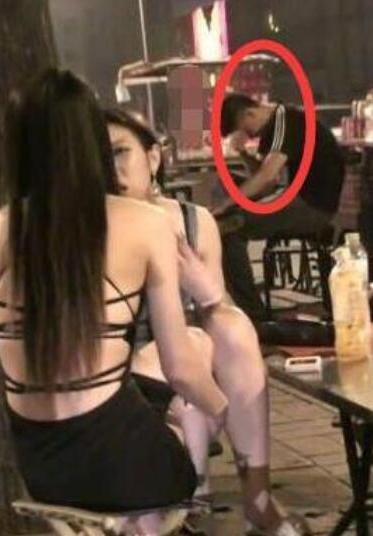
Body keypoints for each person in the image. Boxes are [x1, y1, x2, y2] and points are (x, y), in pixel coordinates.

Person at [0, 69, 228, 533]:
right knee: (196, 363)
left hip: (42, 470)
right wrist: (227, 412)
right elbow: (182, 370)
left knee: (147, 387)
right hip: (123, 467)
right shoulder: (145, 223)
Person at [105, 107, 311, 535]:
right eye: (99, 158)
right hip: (133, 373)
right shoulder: (98, 228)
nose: (112, 169)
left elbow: (219, 323)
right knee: (188, 378)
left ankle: (257, 499)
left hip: (191, 365)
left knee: (231, 326)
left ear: (153, 157)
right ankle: (185, 506)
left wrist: (206, 290)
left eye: (121, 152)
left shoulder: (192, 223)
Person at [213, 93, 345, 320]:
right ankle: (247, 309)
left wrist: (226, 204)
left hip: (313, 205)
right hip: (298, 198)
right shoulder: (276, 125)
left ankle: (253, 316)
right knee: (228, 203)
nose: (248, 136)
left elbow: (267, 176)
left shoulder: (287, 121)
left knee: (228, 227)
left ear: (249, 113)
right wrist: (243, 153)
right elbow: (268, 180)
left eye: (244, 130)